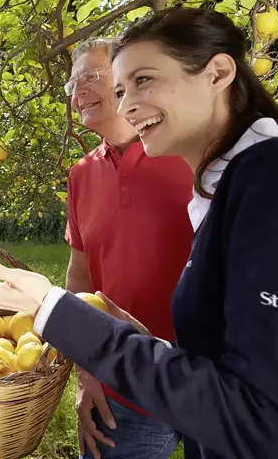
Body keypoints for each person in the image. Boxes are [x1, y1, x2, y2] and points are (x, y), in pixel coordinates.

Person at [0, 7, 278, 459]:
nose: (129, 104)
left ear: (219, 72)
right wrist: (111, 351)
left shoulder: (273, 177)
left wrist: (53, 310)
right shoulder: (217, 184)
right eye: (124, 88)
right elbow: (231, 359)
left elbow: (265, 420)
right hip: (147, 382)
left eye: (143, 80)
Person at [64, 39, 193, 459]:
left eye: (91, 77)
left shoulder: (192, 152)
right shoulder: (81, 176)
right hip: (123, 380)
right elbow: (80, 276)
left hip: (214, 376)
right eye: (73, 81)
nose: (78, 89)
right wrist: (87, 371)